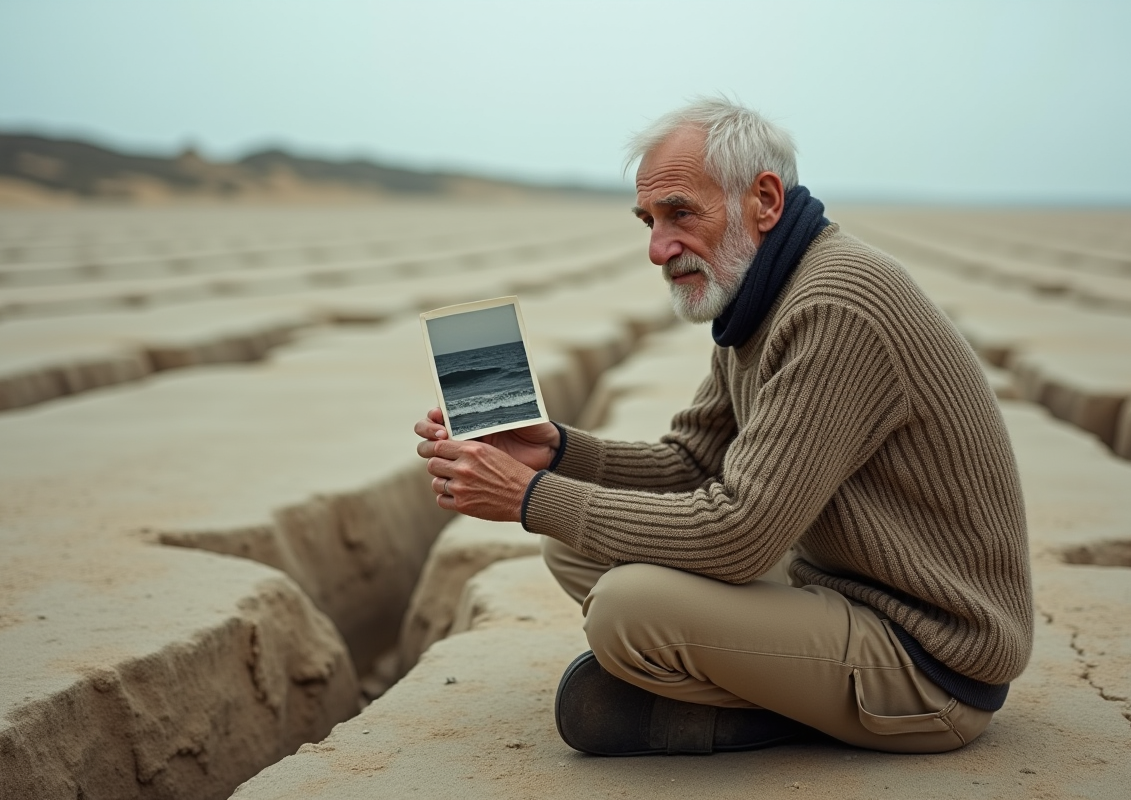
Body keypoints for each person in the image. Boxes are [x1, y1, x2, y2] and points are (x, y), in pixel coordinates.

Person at [414, 97, 1032, 756]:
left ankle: (779, 713)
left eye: (680, 213)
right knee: (572, 545)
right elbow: (693, 464)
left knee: (628, 606)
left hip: (929, 662)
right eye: (648, 221)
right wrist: (558, 453)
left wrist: (528, 496)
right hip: (837, 585)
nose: (658, 248)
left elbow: (741, 536)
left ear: (764, 200)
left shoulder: (835, 307)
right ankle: (779, 695)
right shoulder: (762, 295)